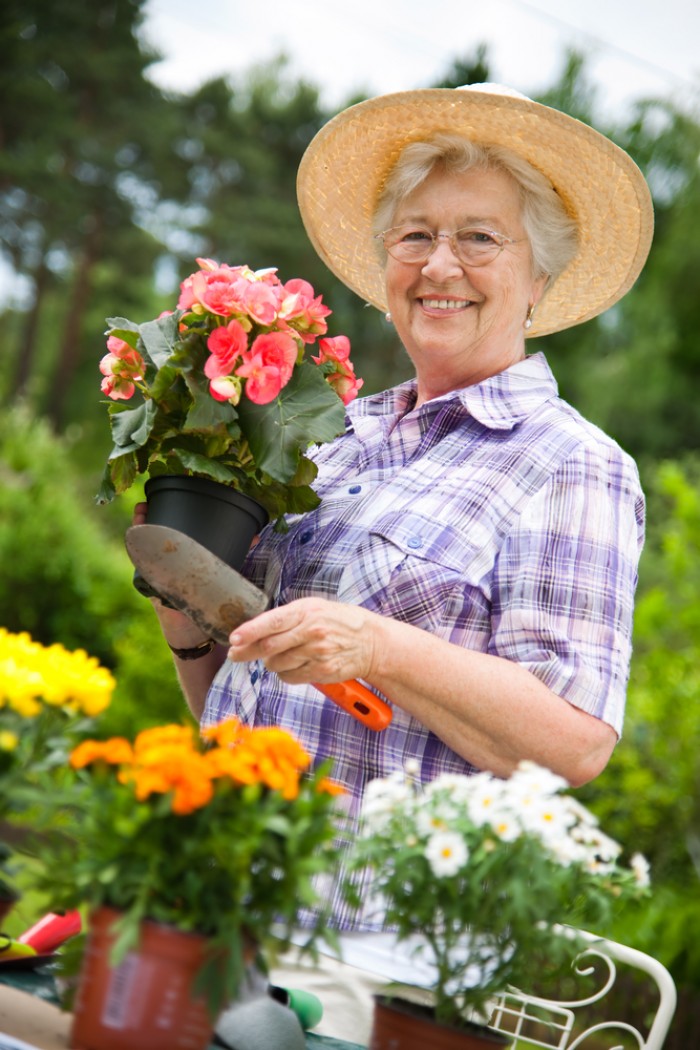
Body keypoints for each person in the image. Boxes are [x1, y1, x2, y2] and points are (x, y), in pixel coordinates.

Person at [135, 84, 653, 1041]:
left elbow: (575, 743)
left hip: (379, 967)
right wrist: (186, 616)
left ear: (540, 277)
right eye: (414, 236)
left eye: (480, 239)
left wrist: (376, 644)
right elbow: (238, 706)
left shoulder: (571, 464)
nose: (439, 264)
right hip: (220, 913)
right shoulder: (332, 439)